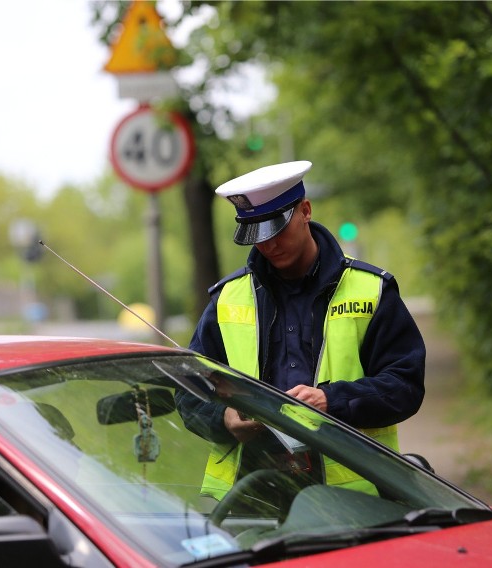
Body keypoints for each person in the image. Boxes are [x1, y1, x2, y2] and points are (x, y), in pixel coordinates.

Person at [177, 160, 425, 501]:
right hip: (250, 498)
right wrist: (225, 419)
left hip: (357, 502)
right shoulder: (226, 299)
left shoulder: (372, 291)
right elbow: (188, 391)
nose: (268, 246)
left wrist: (331, 400)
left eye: (276, 231)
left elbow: (405, 386)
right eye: (257, 235)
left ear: (305, 210)